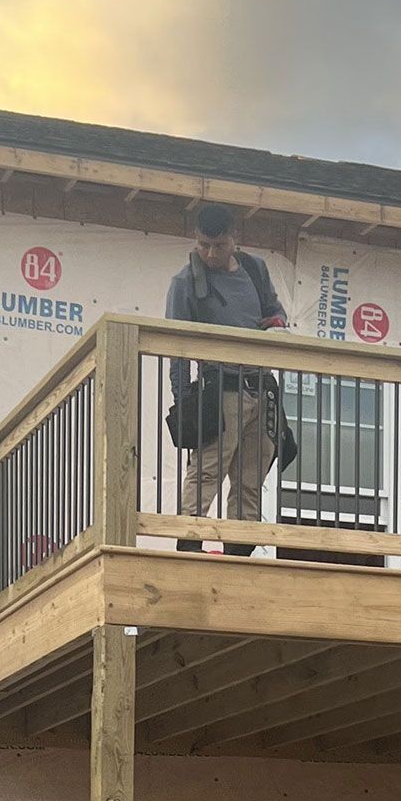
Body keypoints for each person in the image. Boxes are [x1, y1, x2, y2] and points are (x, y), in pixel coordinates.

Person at [163, 203, 295, 553]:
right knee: (206, 472)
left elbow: (274, 310)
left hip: (262, 388)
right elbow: (175, 348)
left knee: (251, 480)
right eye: (203, 245)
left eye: (218, 245)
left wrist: (277, 323)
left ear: (236, 239)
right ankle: (189, 547)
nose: (209, 253)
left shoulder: (255, 268)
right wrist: (185, 403)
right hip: (220, 389)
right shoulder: (185, 282)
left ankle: (240, 552)